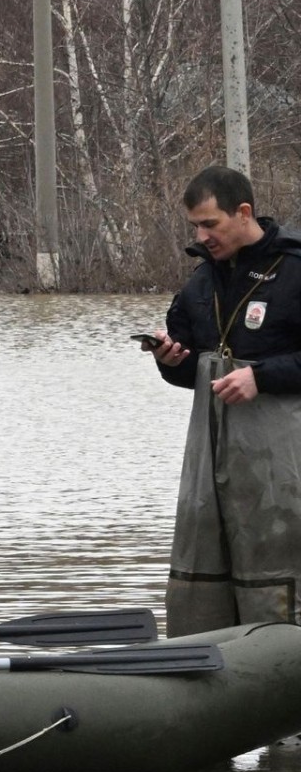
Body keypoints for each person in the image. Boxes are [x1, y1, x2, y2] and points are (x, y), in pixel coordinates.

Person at [142, 165, 301, 636]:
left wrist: (262, 377)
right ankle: (208, 671)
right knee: (202, 570)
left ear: (244, 212)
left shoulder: (295, 269)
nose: (201, 235)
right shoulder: (199, 283)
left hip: (284, 466)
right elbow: (191, 371)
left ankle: (283, 659)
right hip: (210, 463)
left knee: (277, 565)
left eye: (210, 223)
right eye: (195, 225)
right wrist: (170, 360)